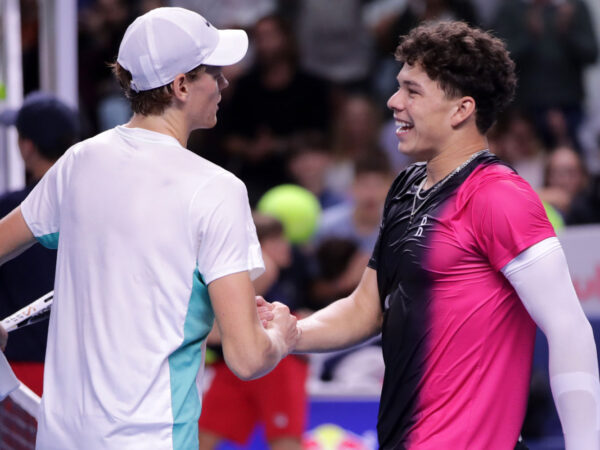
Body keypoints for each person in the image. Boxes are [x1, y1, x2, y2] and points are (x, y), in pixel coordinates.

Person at [286, 22, 599, 449]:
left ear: (460, 110)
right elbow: (365, 307)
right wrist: (291, 334)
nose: (394, 102)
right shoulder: (405, 188)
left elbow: (569, 329)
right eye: (398, 87)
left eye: (412, 91)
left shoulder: (499, 195)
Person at [0, 7, 299, 449]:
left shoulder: (80, 162)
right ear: (180, 85)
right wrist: (279, 336)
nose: (224, 83)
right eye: (212, 73)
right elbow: (248, 356)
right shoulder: (218, 190)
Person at [198, 213, 308, 450]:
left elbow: (231, 325)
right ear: (258, 245)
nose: (285, 246)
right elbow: (232, 324)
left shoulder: (267, 269)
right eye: (277, 240)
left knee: (201, 441)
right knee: (284, 443)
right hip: (257, 361)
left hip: (267, 362)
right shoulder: (264, 267)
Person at [0, 91, 79, 397]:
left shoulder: (8, 208)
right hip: (79, 375)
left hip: (16, 376)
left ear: (27, 146)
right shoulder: (100, 206)